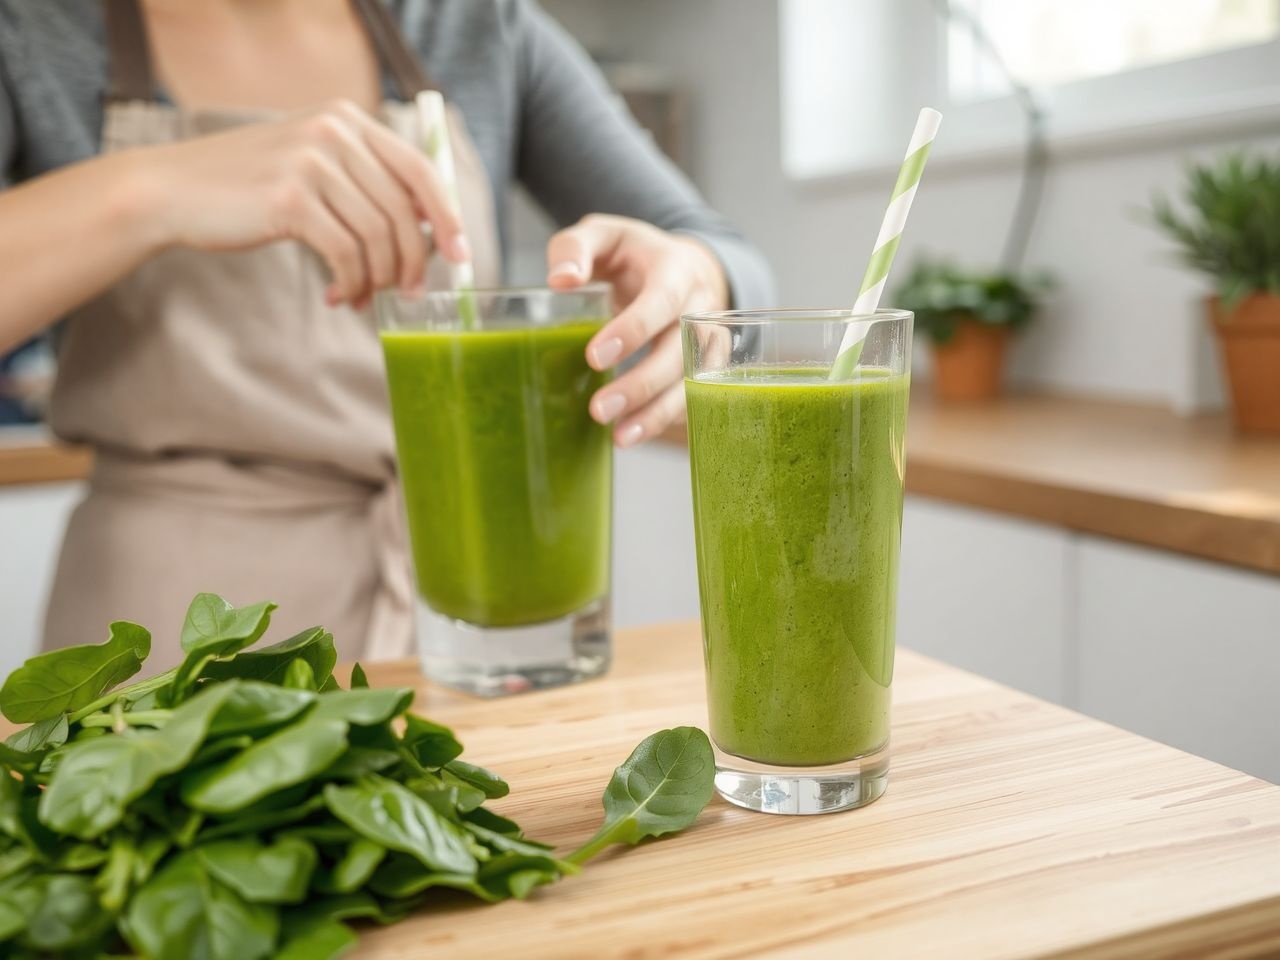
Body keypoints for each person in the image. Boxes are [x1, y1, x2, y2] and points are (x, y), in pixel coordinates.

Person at [0, 0, 773, 666]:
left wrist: (701, 279)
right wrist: (148, 192)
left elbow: (728, 258)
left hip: (459, 633)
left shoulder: (468, 23)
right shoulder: (32, 31)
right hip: (159, 662)